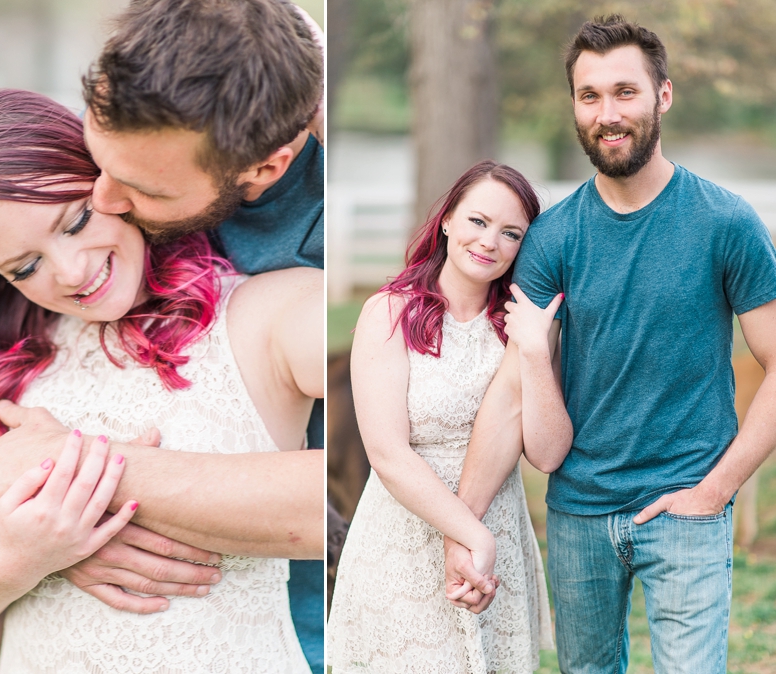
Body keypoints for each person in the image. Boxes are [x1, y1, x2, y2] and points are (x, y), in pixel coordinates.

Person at [0, 0, 327, 670]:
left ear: (263, 170)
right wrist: (28, 548)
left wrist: (74, 474)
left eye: (78, 219)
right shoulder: (22, 356)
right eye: (24, 266)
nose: (106, 197)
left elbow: (354, 482)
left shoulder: (272, 302)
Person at [447, 15, 776, 673]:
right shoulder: (552, 239)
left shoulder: (726, 223)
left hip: (687, 509)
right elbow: (515, 392)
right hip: (577, 519)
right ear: (574, 105)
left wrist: (715, 492)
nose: (608, 112)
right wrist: (465, 522)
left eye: (625, 91)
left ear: (663, 95)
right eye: (589, 95)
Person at [327, 161, 555, 673]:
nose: (490, 242)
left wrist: (537, 354)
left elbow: (545, 453)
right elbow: (387, 453)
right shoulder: (389, 312)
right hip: (403, 537)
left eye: (511, 232)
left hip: (499, 526)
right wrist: (472, 536)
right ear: (447, 219)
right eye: (478, 221)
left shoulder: (525, 328)